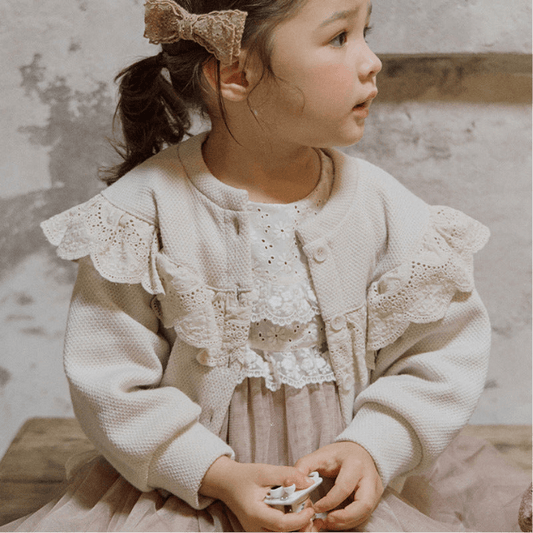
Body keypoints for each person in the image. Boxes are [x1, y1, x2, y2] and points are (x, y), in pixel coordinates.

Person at [2, 0, 530, 531]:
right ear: (237, 74)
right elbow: (110, 383)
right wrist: (214, 473)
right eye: (339, 38)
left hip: (341, 496)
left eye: (365, 32)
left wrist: (375, 448)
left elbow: (440, 353)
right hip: (191, 497)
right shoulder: (141, 214)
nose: (372, 61)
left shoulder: (382, 208)